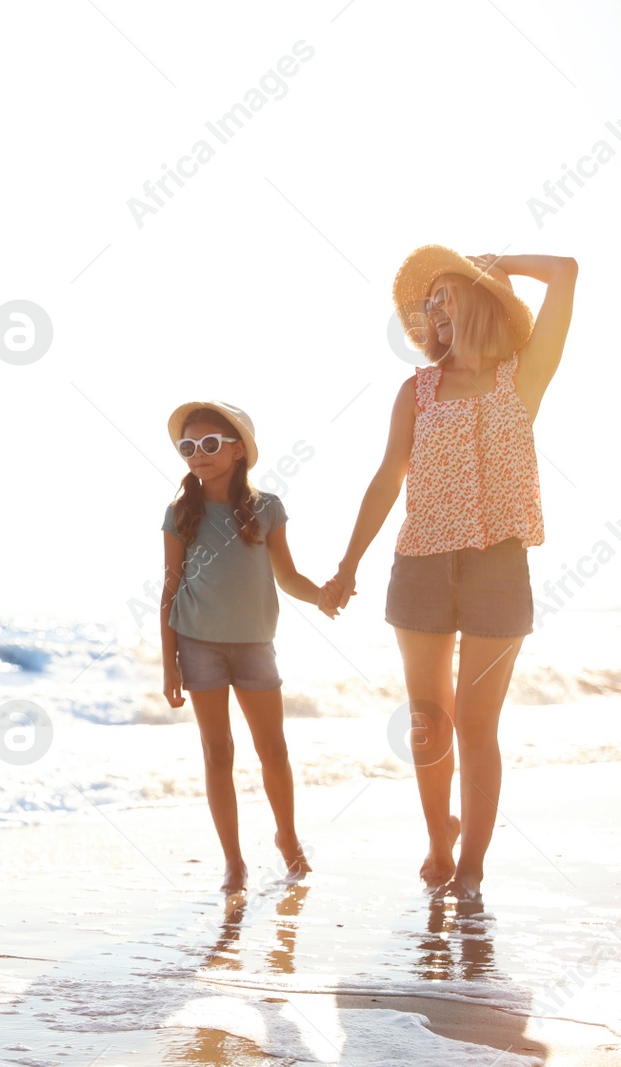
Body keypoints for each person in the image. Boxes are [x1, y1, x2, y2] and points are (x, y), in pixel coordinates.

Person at [321, 246, 578, 903]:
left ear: (478, 293)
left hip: (498, 568)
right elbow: (387, 479)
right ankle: (439, 837)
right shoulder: (416, 391)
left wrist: (501, 261)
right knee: (429, 720)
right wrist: (349, 562)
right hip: (422, 566)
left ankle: (472, 867)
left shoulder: (524, 375)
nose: (434, 306)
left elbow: (568, 270)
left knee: (475, 723)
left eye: (445, 291)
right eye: (427, 300)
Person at [159, 401, 323, 893]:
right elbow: (169, 590)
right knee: (218, 753)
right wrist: (169, 665)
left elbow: (289, 577)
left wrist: (324, 595)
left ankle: (288, 838)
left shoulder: (267, 508)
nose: (198, 455)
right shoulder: (179, 513)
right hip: (198, 644)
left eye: (209, 444)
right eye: (188, 447)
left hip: (255, 645)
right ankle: (234, 862)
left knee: (273, 749)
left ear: (237, 451)